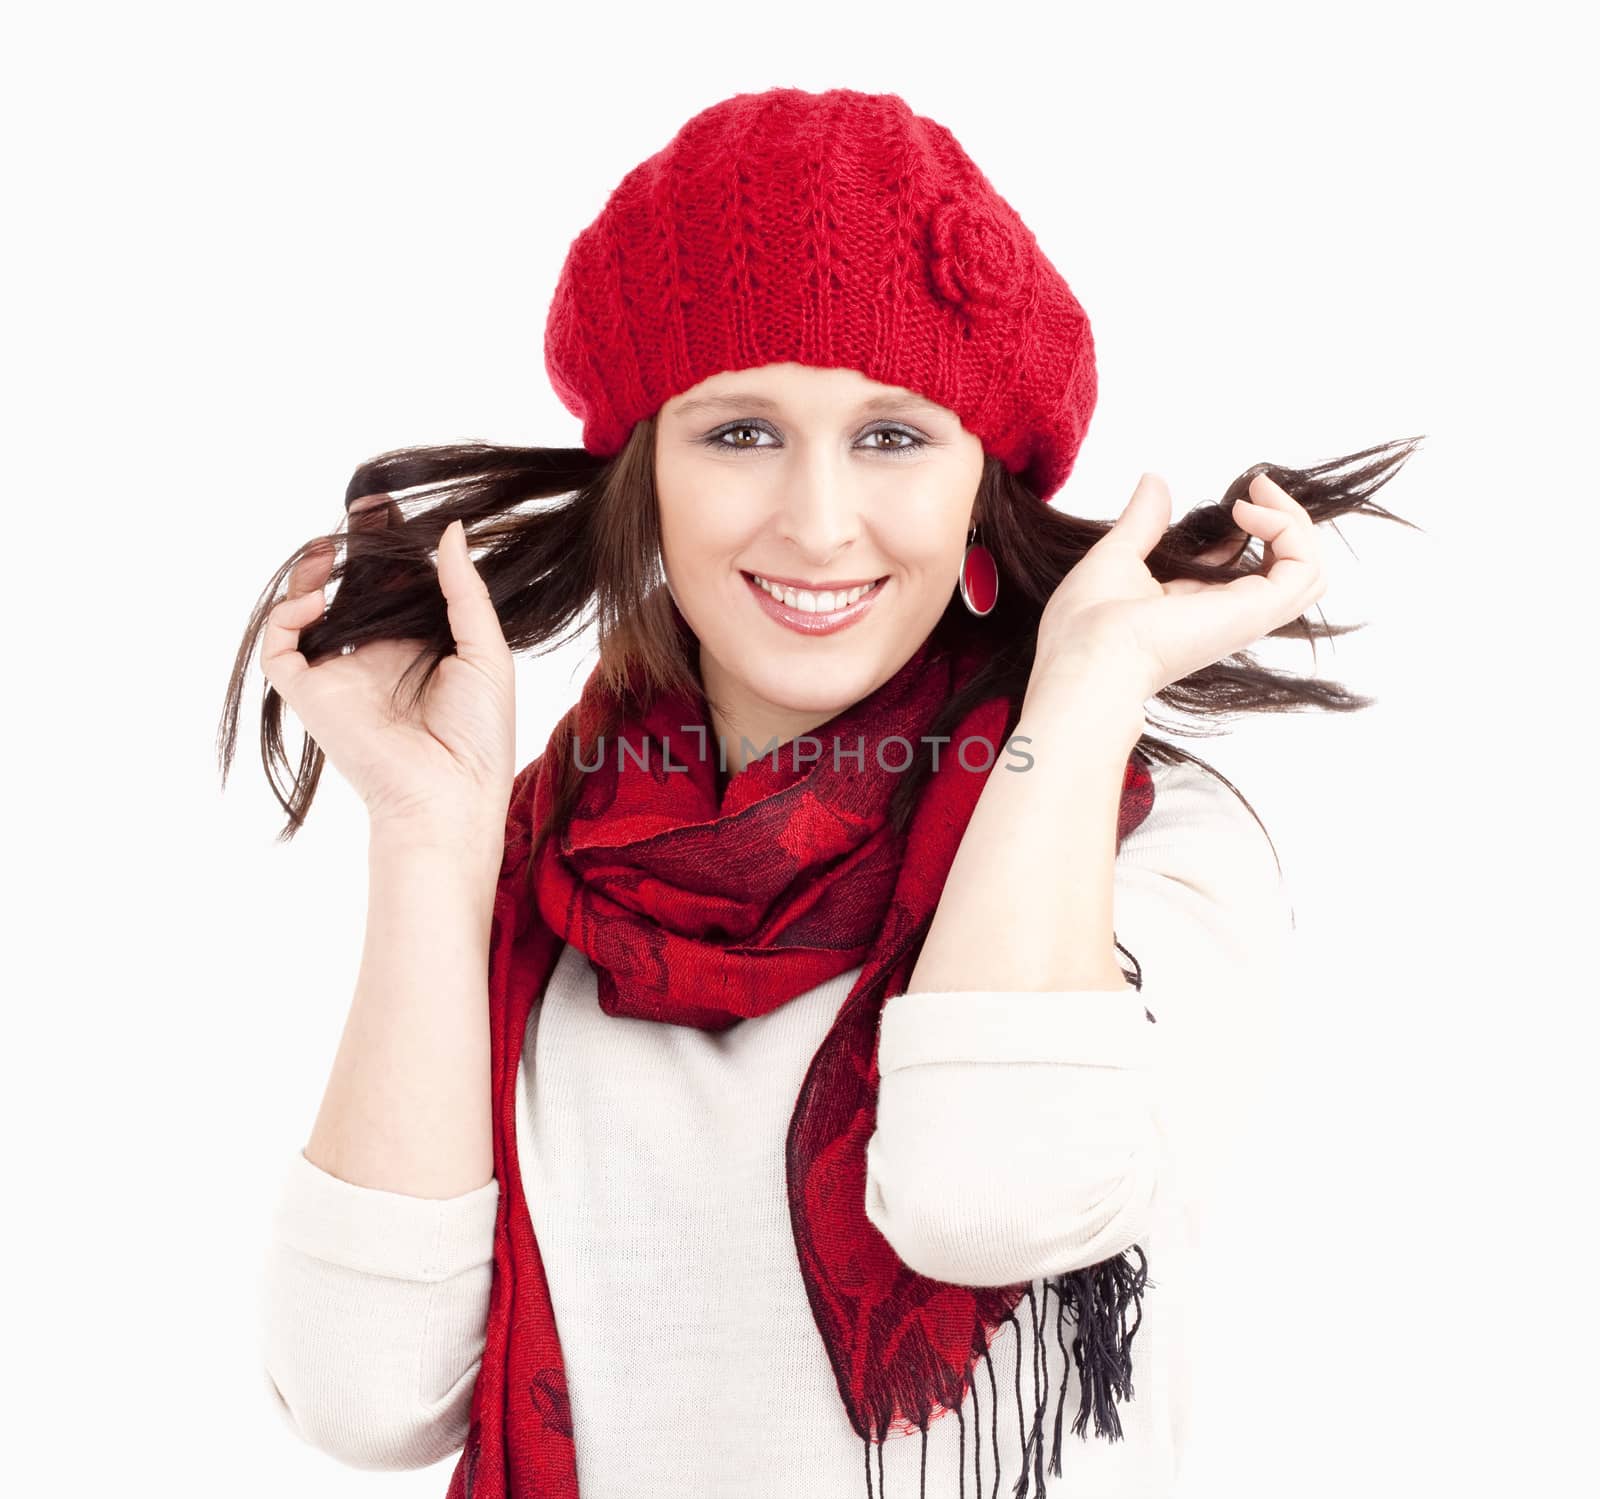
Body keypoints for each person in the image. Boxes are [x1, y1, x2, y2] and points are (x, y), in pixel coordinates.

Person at [224, 87, 1418, 1498]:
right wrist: (430, 838)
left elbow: (989, 1198)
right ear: (645, 476)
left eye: (892, 436)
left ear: (984, 481)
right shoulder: (543, 864)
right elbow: (367, 1399)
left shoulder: (1143, 844)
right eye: (740, 433)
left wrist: (1078, 703)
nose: (816, 521)